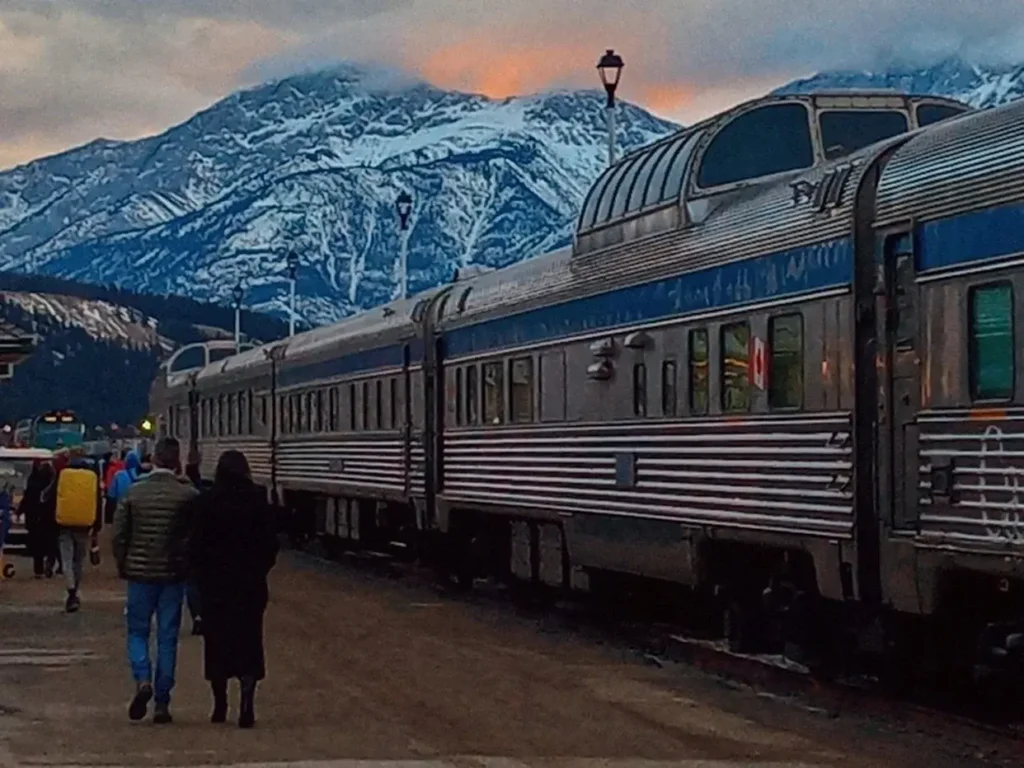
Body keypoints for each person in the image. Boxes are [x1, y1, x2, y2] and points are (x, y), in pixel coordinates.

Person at [189, 451, 278, 728]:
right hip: (250, 586)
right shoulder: (258, 499)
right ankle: (247, 705)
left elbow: (196, 546)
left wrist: (201, 575)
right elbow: (270, 544)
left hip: (215, 586)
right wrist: (259, 570)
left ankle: (219, 706)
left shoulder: (206, 501)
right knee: (250, 641)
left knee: (217, 642)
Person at [112, 437, 198, 725]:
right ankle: (162, 700)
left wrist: (122, 563)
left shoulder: (134, 493)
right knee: (167, 636)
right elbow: (193, 537)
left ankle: (142, 679)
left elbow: (119, 534)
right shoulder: (188, 495)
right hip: (173, 575)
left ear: (153, 459)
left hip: (139, 575)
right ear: (176, 462)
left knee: (137, 632)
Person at [42, 447, 101, 612]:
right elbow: (97, 501)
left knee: (66, 559)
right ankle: (75, 589)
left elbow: (49, 497)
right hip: (84, 524)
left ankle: (71, 590)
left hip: (64, 525)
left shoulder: (63, 475)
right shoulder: (92, 477)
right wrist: (96, 526)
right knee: (78, 561)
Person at [20, 461, 54, 578]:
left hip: (34, 518)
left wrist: (19, 511)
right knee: (51, 543)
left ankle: (38, 570)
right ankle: (50, 564)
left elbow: (26, 499)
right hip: (49, 518)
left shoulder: (33, 482)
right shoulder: (51, 484)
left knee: (36, 546)